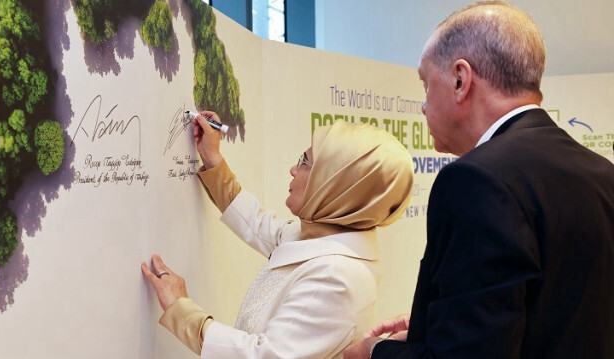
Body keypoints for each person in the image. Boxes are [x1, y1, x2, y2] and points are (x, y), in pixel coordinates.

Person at [345, 1, 614, 358]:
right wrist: (439, 323)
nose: (423, 106)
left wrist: (372, 351)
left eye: (426, 84)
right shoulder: (601, 172)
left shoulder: (475, 180)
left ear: (460, 79)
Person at [142, 112, 414, 358]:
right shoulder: (324, 237)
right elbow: (259, 225)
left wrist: (181, 309)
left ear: (334, 184)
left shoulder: (338, 276)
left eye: (305, 162)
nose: (293, 169)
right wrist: (213, 160)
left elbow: (264, 356)